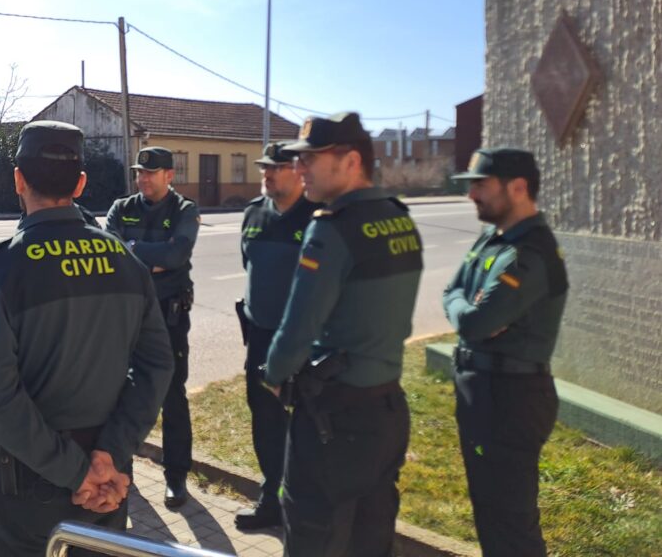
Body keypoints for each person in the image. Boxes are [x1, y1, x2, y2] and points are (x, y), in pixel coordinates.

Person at [0, 121, 173, 557]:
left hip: (28, 490)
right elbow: (157, 366)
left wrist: (77, 472)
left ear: (18, 180)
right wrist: (109, 456)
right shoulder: (126, 262)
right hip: (107, 485)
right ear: (80, 184)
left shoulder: (1, 270)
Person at [264, 112, 423, 557]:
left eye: (311, 159)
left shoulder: (332, 227)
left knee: (313, 534)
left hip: (333, 420)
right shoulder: (399, 218)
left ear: (351, 161)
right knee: (370, 537)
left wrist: (273, 374)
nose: (299, 168)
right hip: (387, 410)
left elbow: (299, 326)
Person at [444, 148, 568, 557]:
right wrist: (466, 308)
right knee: (489, 510)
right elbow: (451, 292)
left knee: (511, 521)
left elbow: (474, 324)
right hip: (483, 391)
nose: (471, 194)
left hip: (510, 398)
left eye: (481, 185)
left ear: (517, 188)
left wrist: (468, 313)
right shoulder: (493, 239)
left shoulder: (528, 253)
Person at [105, 146, 200, 509]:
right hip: (128, 313)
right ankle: (121, 466)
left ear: (169, 175)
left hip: (169, 314)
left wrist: (133, 249)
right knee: (120, 391)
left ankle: (176, 476)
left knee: (172, 395)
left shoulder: (184, 210)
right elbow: (111, 253)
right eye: (139, 172)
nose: (142, 178)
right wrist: (153, 256)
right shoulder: (122, 207)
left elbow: (177, 255)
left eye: (150, 172)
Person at [234, 141, 322, 531]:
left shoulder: (318, 217)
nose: (267, 174)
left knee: (306, 425)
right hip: (260, 338)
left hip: (305, 342)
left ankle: (304, 507)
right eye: (264, 167)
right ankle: (272, 498)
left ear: (299, 172)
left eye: (276, 168)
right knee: (266, 421)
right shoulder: (254, 212)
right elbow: (249, 265)